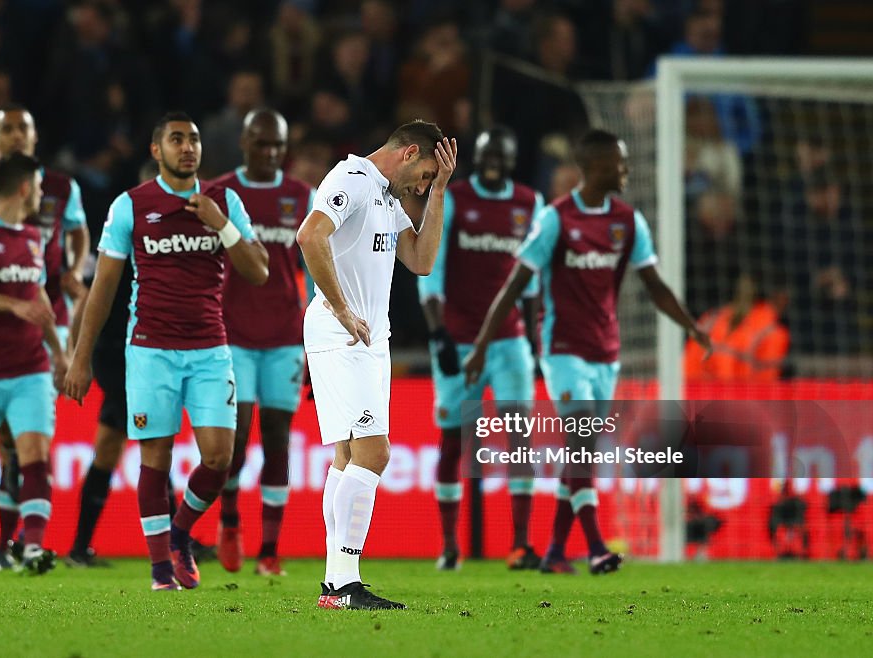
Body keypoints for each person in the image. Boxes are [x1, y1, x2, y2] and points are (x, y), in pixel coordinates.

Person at [464, 129, 710, 575]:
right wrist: (481, 345)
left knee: (581, 453)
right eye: (620, 162)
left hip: (605, 353)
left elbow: (653, 285)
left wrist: (690, 325)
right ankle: (596, 546)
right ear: (595, 167)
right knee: (581, 445)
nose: (626, 170)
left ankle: (556, 551)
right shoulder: (555, 219)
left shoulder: (628, 222)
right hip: (562, 351)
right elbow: (515, 285)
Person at [63, 111, 269, 591]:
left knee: (220, 459)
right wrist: (80, 356)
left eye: (193, 139)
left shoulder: (225, 201)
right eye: (176, 139)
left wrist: (222, 226)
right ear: (157, 150)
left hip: (209, 348)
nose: (187, 147)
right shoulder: (132, 206)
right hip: (151, 349)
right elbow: (104, 288)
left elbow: (258, 271)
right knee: (153, 458)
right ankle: (161, 569)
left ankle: (179, 534)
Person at [298, 120, 456, 610]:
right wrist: (342, 307)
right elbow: (310, 236)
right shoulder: (351, 181)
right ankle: (345, 582)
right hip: (342, 332)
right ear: (409, 152)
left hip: (370, 339)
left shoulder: (387, 198)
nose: (424, 184)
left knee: (348, 458)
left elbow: (421, 259)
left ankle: (335, 584)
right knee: (376, 453)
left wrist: (439, 195)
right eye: (428, 173)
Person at [0, 104, 89, 567]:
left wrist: (60, 353)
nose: (43, 195)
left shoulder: (33, 238)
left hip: (30, 366)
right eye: (38, 188)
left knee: (34, 454)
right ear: (25, 187)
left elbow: (40, 300)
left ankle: (30, 546)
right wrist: (15, 306)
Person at [417, 126, 544, 571]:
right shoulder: (454, 199)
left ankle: (521, 544)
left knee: (519, 439)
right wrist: (437, 335)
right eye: (487, 155)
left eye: (501, 156)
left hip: (509, 343)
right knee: (452, 440)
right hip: (457, 337)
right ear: (478, 157)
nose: (493, 163)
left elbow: (533, 281)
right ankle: (450, 546)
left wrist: (534, 339)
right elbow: (430, 270)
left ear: (512, 161)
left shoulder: (530, 204)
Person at [211, 108, 314, 577]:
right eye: (262, 143)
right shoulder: (222, 193)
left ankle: (270, 550)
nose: (270, 152)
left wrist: (318, 334)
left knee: (277, 438)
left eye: (278, 145)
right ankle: (230, 522)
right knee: (236, 438)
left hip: (285, 336)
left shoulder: (301, 196)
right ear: (245, 142)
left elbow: (314, 270)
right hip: (233, 332)